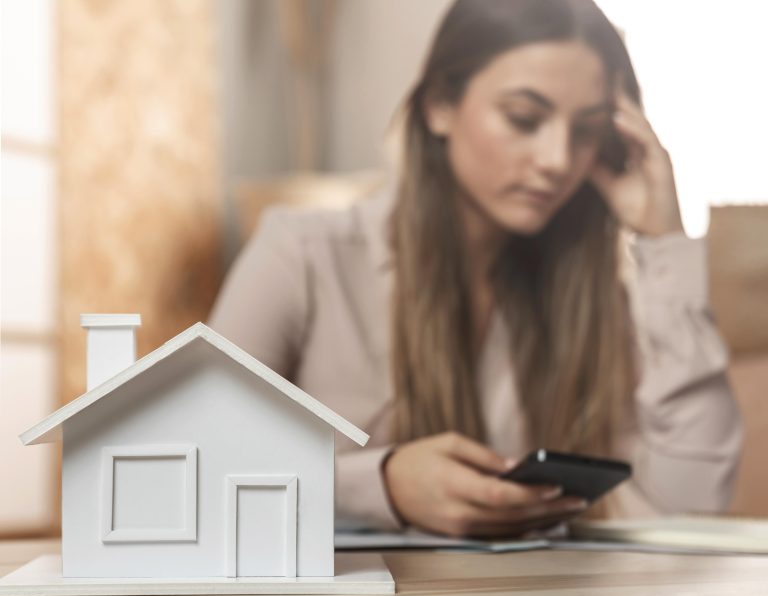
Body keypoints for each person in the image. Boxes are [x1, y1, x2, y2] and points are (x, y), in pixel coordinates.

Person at [209, 0, 742, 538]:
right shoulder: (301, 257)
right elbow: (200, 469)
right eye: (524, 119)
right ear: (439, 103)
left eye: (587, 131)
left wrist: (664, 240)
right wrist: (383, 485)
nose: (558, 159)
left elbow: (689, 506)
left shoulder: (591, 300)